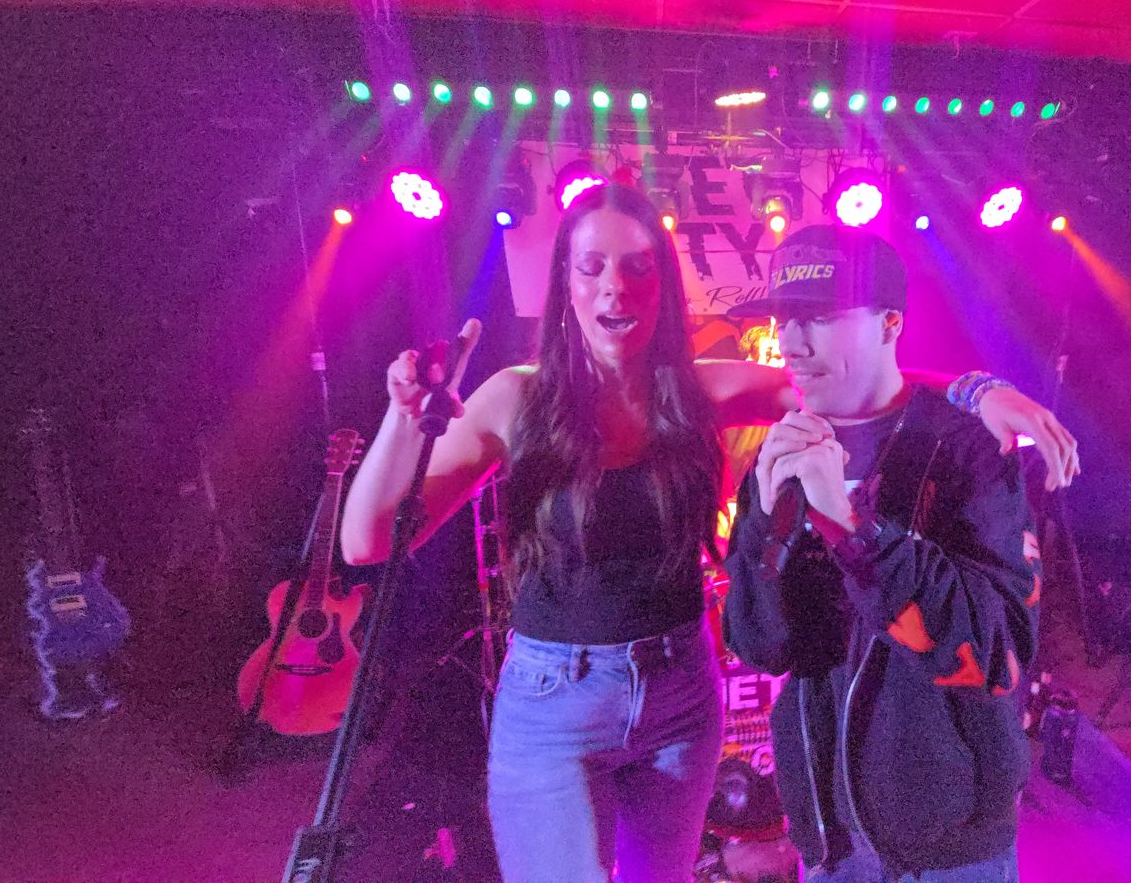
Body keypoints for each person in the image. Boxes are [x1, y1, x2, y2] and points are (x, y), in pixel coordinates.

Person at [339, 185, 1077, 883]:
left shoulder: (695, 391)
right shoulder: (516, 395)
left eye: (638, 267)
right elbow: (366, 541)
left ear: (663, 284)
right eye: (591, 267)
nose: (614, 288)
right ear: (565, 280)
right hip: (557, 698)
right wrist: (403, 420)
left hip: (678, 690)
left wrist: (979, 387)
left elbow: (855, 379)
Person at [723, 225, 1038, 882]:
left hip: (948, 850)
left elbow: (997, 652)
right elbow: (762, 646)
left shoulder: (968, 450)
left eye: (819, 317)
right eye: (784, 318)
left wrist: (852, 525)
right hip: (827, 837)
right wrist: (763, 534)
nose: (790, 342)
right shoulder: (782, 451)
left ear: (891, 323)